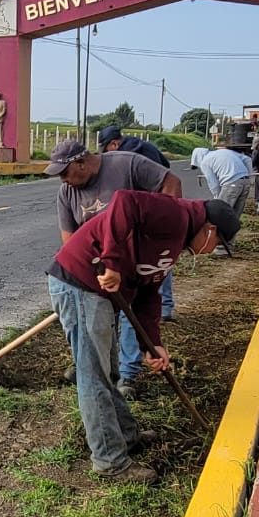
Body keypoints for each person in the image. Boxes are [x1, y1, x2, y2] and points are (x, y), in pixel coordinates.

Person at [48, 190, 240, 480]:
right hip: (80, 284)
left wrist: (152, 345)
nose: (212, 250)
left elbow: (148, 292)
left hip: (100, 296)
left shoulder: (176, 241)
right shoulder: (176, 215)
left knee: (107, 373)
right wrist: (111, 261)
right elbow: (125, 201)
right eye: (217, 244)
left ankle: (126, 436)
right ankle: (110, 462)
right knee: (94, 377)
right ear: (210, 229)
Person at [47, 139, 183, 398]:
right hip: (103, 273)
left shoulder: (127, 164)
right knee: (100, 321)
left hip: (139, 263)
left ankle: (127, 375)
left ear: (82, 163)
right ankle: (96, 368)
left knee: (134, 316)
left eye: (65, 173)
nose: (62, 180)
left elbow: (171, 183)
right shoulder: (67, 193)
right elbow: (70, 240)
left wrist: (163, 230)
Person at [189, 131, 252, 222]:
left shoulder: (205, 162)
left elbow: (213, 184)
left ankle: (220, 235)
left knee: (222, 214)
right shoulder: (224, 151)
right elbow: (247, 159)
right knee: (235, 216)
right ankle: (231, 235)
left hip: (231, 185)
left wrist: (218, 198)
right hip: (245, 183)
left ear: (198, 158)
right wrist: (248, 176)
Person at [96, 124, 171, 168]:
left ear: (114, 144)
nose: (106, 155)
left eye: (106, 151)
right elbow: (166, 165)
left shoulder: (121, 159)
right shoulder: (147, 145)